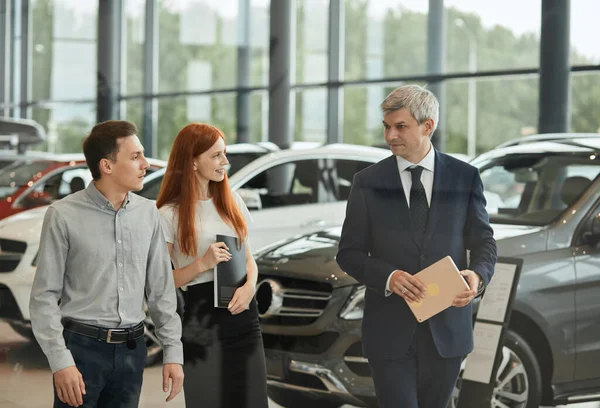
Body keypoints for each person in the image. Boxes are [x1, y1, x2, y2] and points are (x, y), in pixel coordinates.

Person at [336, 85, 497, 408]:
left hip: (447, 330)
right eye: (387, 126)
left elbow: (484, 242)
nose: (390, 135)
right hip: (389, 332)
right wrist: (389, 276)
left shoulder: (465, 177)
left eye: (400, 126)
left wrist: (477, 277)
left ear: (428, 126)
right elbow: (348, 253)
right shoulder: (367, 182)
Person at [29, 120, 184, 408]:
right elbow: (44, 297)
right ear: (107, 165)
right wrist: (60, 361)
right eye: (135, 156)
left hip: (132, 350)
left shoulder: (148, 213)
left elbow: (161, 289)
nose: (146, 164)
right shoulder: (63, 215)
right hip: (81, 350)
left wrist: (173, 352)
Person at [156, 123, 268, 408]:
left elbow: (249, 260)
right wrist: (202, 263)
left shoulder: (232, 202)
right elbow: (161, 283)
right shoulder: (168, 214)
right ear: (192, 161)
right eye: (217, 155)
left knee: (251, 400)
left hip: (242, 313)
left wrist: (250, 288)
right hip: (200, 316)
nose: (225, 162)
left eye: (225, 154)